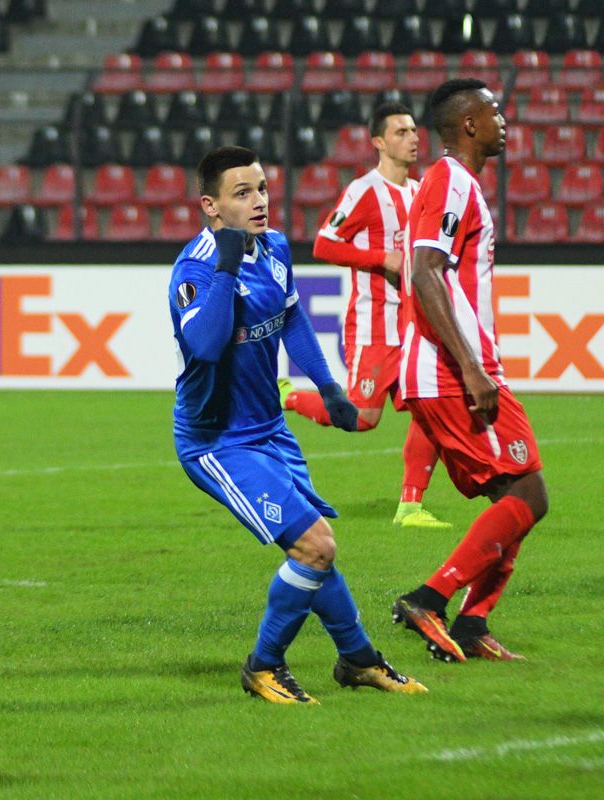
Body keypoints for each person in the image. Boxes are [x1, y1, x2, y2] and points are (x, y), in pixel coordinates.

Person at [168, 145, 427, 703]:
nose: (259, 201)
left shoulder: (278, 247)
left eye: (261, 187)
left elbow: (291, 319)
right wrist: (227, 266)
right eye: (243, 193)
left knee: (314, 546)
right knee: (314, 546)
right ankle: (264, 665)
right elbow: (207, 345)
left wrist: (328, 386)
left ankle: (358, 660)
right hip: (216, 439)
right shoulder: (192, 271)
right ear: (211, 206)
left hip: (268, 430)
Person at [392, 79, 549, 662]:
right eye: (494, 112)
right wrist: (472, 369)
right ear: (468, 126)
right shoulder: (450, 180)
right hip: (452, 371)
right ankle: (430, 599)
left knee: (518, 497)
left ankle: (472, 622)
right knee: (528, 494)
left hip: (456, 368)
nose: (504, 120)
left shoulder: (459, 185)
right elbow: (427, 271)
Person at [281, 102, 450, 530]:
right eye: (401, 132)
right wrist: (383, 259)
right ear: (378, 141)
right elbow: (324, 245)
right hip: (375, 324)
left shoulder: (422, 190)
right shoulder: (364, 191)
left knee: (431, 409)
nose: (413, 138)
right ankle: (288, 397)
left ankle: (411, 506)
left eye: (414, 131)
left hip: (416, 325)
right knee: (361, 419)